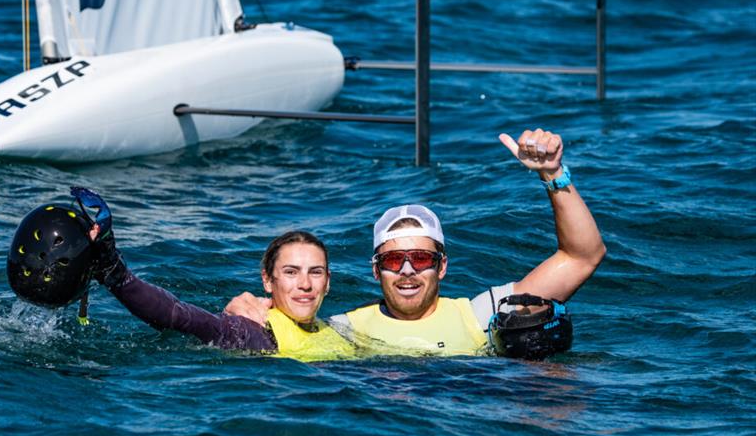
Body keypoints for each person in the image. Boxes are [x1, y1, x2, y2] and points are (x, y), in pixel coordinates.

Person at [226, 128, 606, 356]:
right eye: (393, 261)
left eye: (420, 258)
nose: (407, 271)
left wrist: (553, 174)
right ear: (375, 271)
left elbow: (583, 256)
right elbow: (285, 323)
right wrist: (242, 307)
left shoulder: (480, 314)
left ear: (442, 265)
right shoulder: (343, 330)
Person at [12, 188, 354, 361]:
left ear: (329, 282)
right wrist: (116, 274)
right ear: (268, 280)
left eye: (316, 272)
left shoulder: (341, 331)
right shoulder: (253, 332)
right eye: (291, 272)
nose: (305, 284)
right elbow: (181, 317)